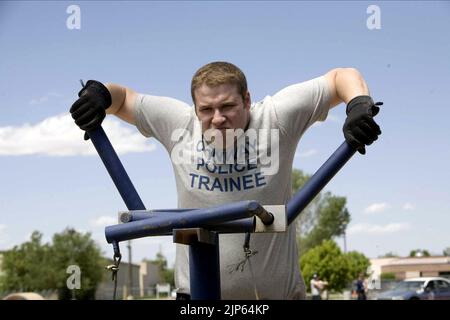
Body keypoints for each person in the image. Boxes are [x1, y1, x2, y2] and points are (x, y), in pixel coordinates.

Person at [70, 62, 382, 300]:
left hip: (277, 295)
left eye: (228, 106)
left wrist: (357, 107)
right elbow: (123, 99)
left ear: (247, 100)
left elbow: (342, 77)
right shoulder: (179, 124)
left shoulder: (276, 118)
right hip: (197, 295)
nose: (218, 117)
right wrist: (100, 95)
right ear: (195, 108)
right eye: (206, 109)